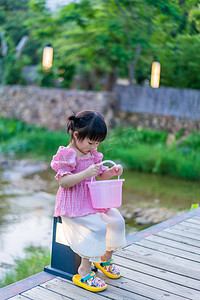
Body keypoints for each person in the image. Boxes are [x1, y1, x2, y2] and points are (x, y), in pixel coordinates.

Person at [51, 110, 126, 292]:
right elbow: (63, 181)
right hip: (74, 204)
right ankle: (84, 270)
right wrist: (85, 173)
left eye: (97, 143)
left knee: (116, 220)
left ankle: (104, 259)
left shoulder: (92, 153)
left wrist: (112, 172)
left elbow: (100, 174)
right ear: (76, 135)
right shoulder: (67, 154)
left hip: (93, 201)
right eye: (91, 142)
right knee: (98, 227)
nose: (94, 147)